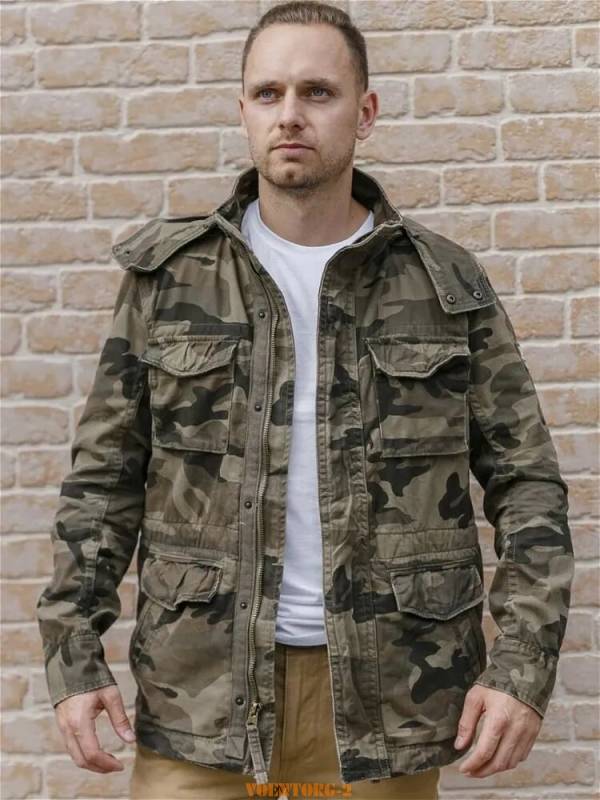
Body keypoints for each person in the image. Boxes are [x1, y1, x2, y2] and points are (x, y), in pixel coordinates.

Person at [36, 2, 574, 799]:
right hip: (200, 692)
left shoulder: (445, 285)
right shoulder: (171, 281)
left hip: (387, 697)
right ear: (244, 111)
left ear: (365, 112)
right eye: (268, 93)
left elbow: (527, 483)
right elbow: (103, 482)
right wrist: (73, 658)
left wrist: (522, 666)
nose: (289, 115)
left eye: (317, 92)